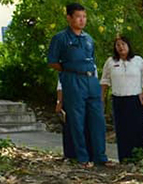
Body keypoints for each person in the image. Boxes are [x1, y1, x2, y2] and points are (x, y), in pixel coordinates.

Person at [47, 2, 112, 168]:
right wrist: (69, 70)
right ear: (69, 18)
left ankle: (100, 157)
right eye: (78, 17)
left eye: (84, 17)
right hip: (73, 81)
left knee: (97, 119)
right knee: (76, 121)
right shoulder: (60, 38)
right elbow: (53, 62)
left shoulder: (88, 38)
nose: (82, 20)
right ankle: (82, 158)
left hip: (91, 80)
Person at [100, 35, 143, 163]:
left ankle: (138, 159)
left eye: (123, 44)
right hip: (118, 100)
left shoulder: (138, 61)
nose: (120, 47)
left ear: (129, 46)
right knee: (122, 130)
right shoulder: (111, 62)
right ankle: (124, 159)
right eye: (118, 45)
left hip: (135, 100)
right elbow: (104, 81)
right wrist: (101, 99)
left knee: (136, 130)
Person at [56, 81, 93, 160]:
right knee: (69, 127)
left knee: (85, 127)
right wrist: (59, 102)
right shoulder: (65, 69)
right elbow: (60, 86)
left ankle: (87, 154)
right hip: (69, 98)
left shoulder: (92, 68)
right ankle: (70, 154)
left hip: (85, 98)